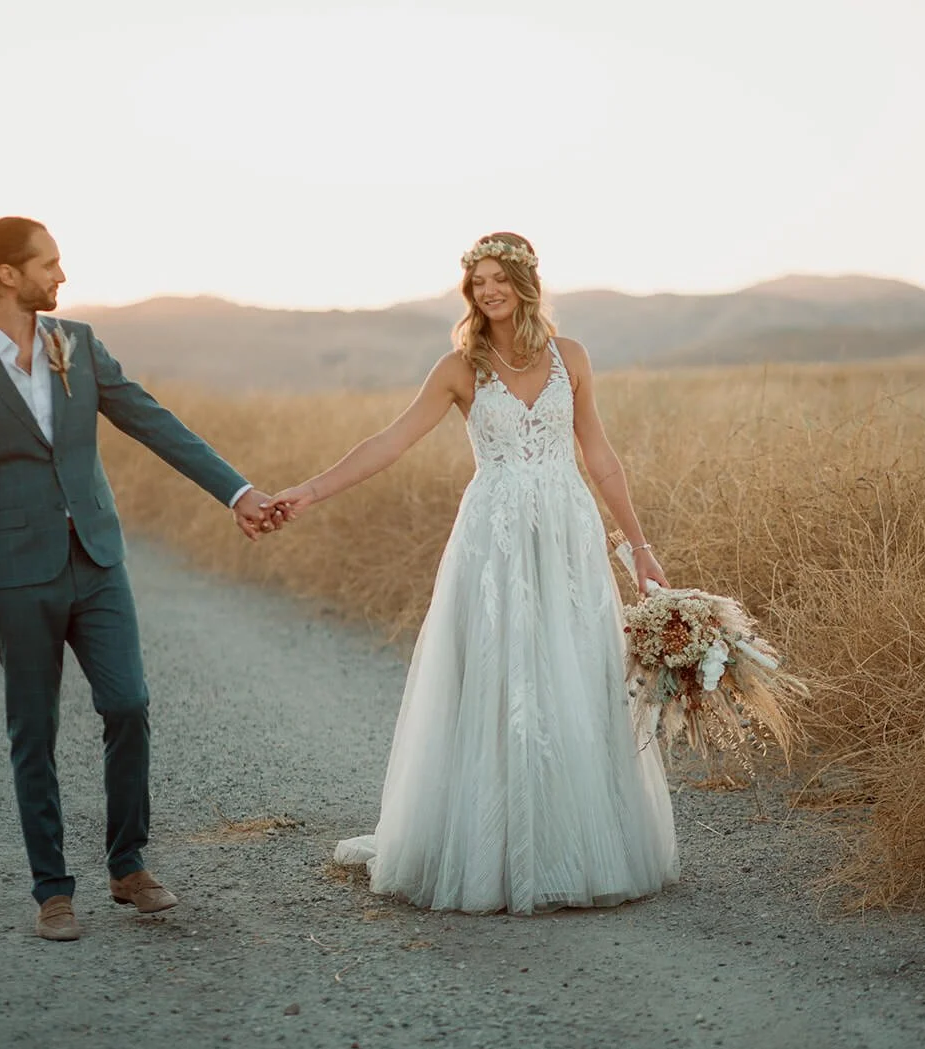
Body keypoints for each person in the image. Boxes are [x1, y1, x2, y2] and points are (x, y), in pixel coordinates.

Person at [268, 232, 679, 914]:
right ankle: (499, 850)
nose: (487, 290)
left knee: (572, 675)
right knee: (500, 677)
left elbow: (599, 456)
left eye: (498, 277)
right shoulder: (460, 368)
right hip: (494, 541)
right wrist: (310, 492)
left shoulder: (569, 358)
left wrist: (637, 545)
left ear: (524, 282)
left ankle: (579, 842)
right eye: (477, 280)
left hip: (569, 535)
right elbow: (391, 441)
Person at [0, 217, 287, 941]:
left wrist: (237, 492)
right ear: (6, 277)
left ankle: (128, 862)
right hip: (18, 578)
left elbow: (153, 421)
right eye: (49, 264)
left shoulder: (78, 345)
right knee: (35, 728)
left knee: (128, 703)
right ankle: (53, 889)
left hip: (98, 560)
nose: (62, 277)